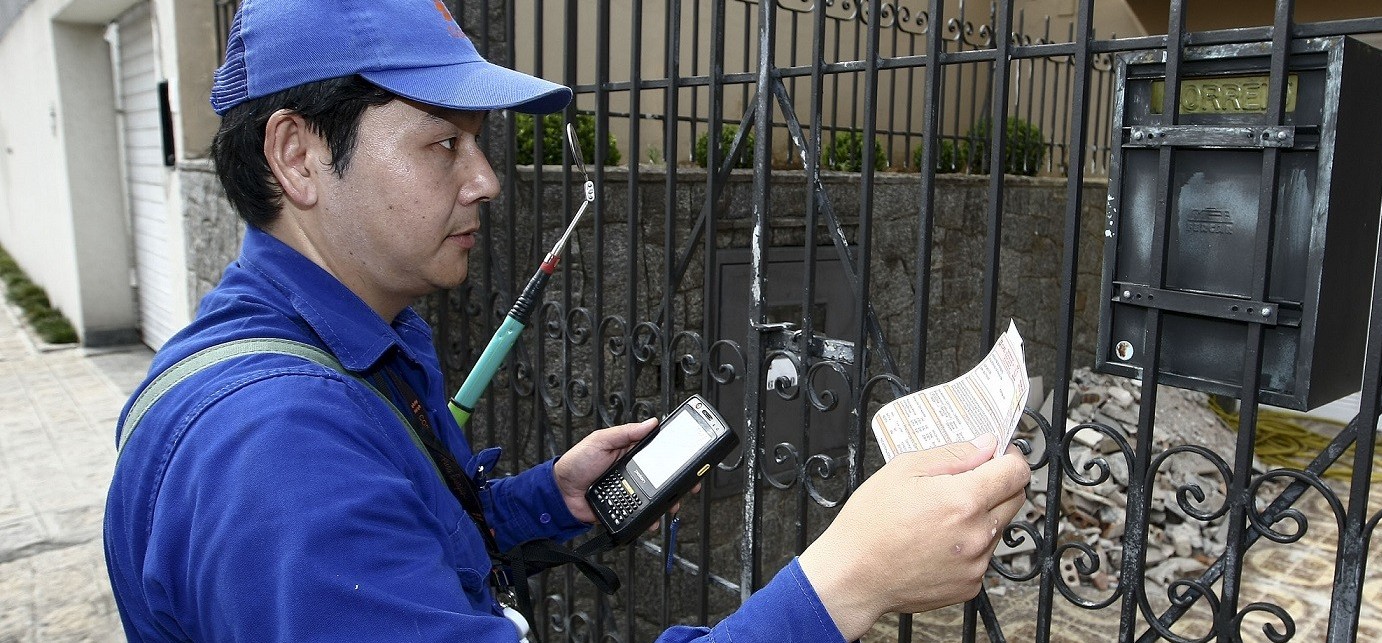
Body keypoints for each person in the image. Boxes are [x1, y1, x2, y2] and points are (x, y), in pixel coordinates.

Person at [102, 0, 1031, 641]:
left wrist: (545, 498)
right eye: (442, 144)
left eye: (478, 143)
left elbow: (394, 541)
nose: (486, 180)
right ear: (297, 155)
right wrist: (846, 581)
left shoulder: (349, 345)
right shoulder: (277, 457)